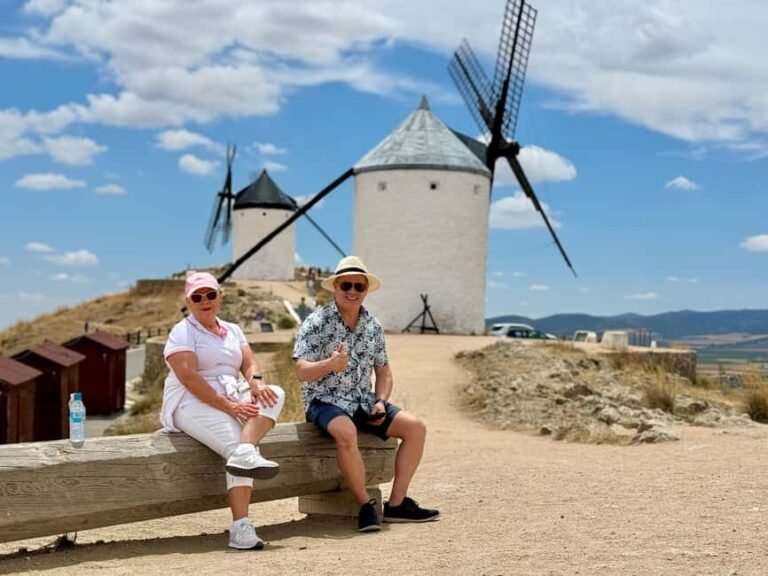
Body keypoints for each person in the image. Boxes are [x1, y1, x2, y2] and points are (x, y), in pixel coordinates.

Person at [293, 256, 439, 532]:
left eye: (358, 287)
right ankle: (364, 506)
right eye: (346, 285)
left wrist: (381, 401)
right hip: (324, 401)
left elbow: (384, 372)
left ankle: (396, 505)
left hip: (363, 401)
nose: (352, 291)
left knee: (416, 428)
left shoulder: (373, 326)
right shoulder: (316, 322)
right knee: (346, 432)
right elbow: (301, 371)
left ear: (366, 290)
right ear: (335, 287)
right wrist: (330, 365)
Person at [161, 272, 285, 550]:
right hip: (189, 400)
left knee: (275, 394)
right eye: (197, 297)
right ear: (189, 301)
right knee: (234, 447)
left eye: (210, 295)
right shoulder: (183, 332)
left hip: (231, 391)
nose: (205, 301)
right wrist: (230, 406)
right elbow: (189, 378)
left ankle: (246, 449)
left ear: (220, 295)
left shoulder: (233, 329)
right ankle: (240, 527)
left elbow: (249, 363)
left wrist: (256, 383)